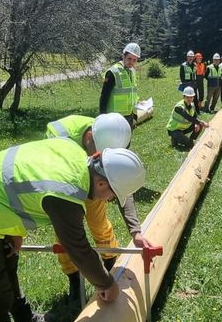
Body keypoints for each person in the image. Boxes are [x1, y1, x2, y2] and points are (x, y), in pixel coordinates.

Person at [0, 139, 146, 322]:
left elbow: (21, 182)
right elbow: (78, 248)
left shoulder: (72, 151)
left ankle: (24, 317)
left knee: (8, 267)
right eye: (111, 196)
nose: (108, 200)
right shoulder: (66, 193)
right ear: (102, 183)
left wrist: (13, 230)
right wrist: (106, 284)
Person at [44, 113, 147, 307]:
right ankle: (75, 280)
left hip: (93, 182)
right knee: (66, 235)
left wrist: (135, 230)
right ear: (89, 137)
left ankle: (112, 265)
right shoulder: (60, 139)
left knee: (99, 223)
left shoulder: (112, 135)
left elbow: (121, 185)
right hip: (64, 187)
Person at [100, 43, 142, 128]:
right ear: (123, 56)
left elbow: (131, 92)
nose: (131, 62)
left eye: (134, 60)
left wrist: (138, 102)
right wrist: (102, 117)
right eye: (129, 58)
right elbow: (104, 96)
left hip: (129, 115)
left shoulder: (132, 71)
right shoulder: (113, 72)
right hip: (114, 117)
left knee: (127, 140)